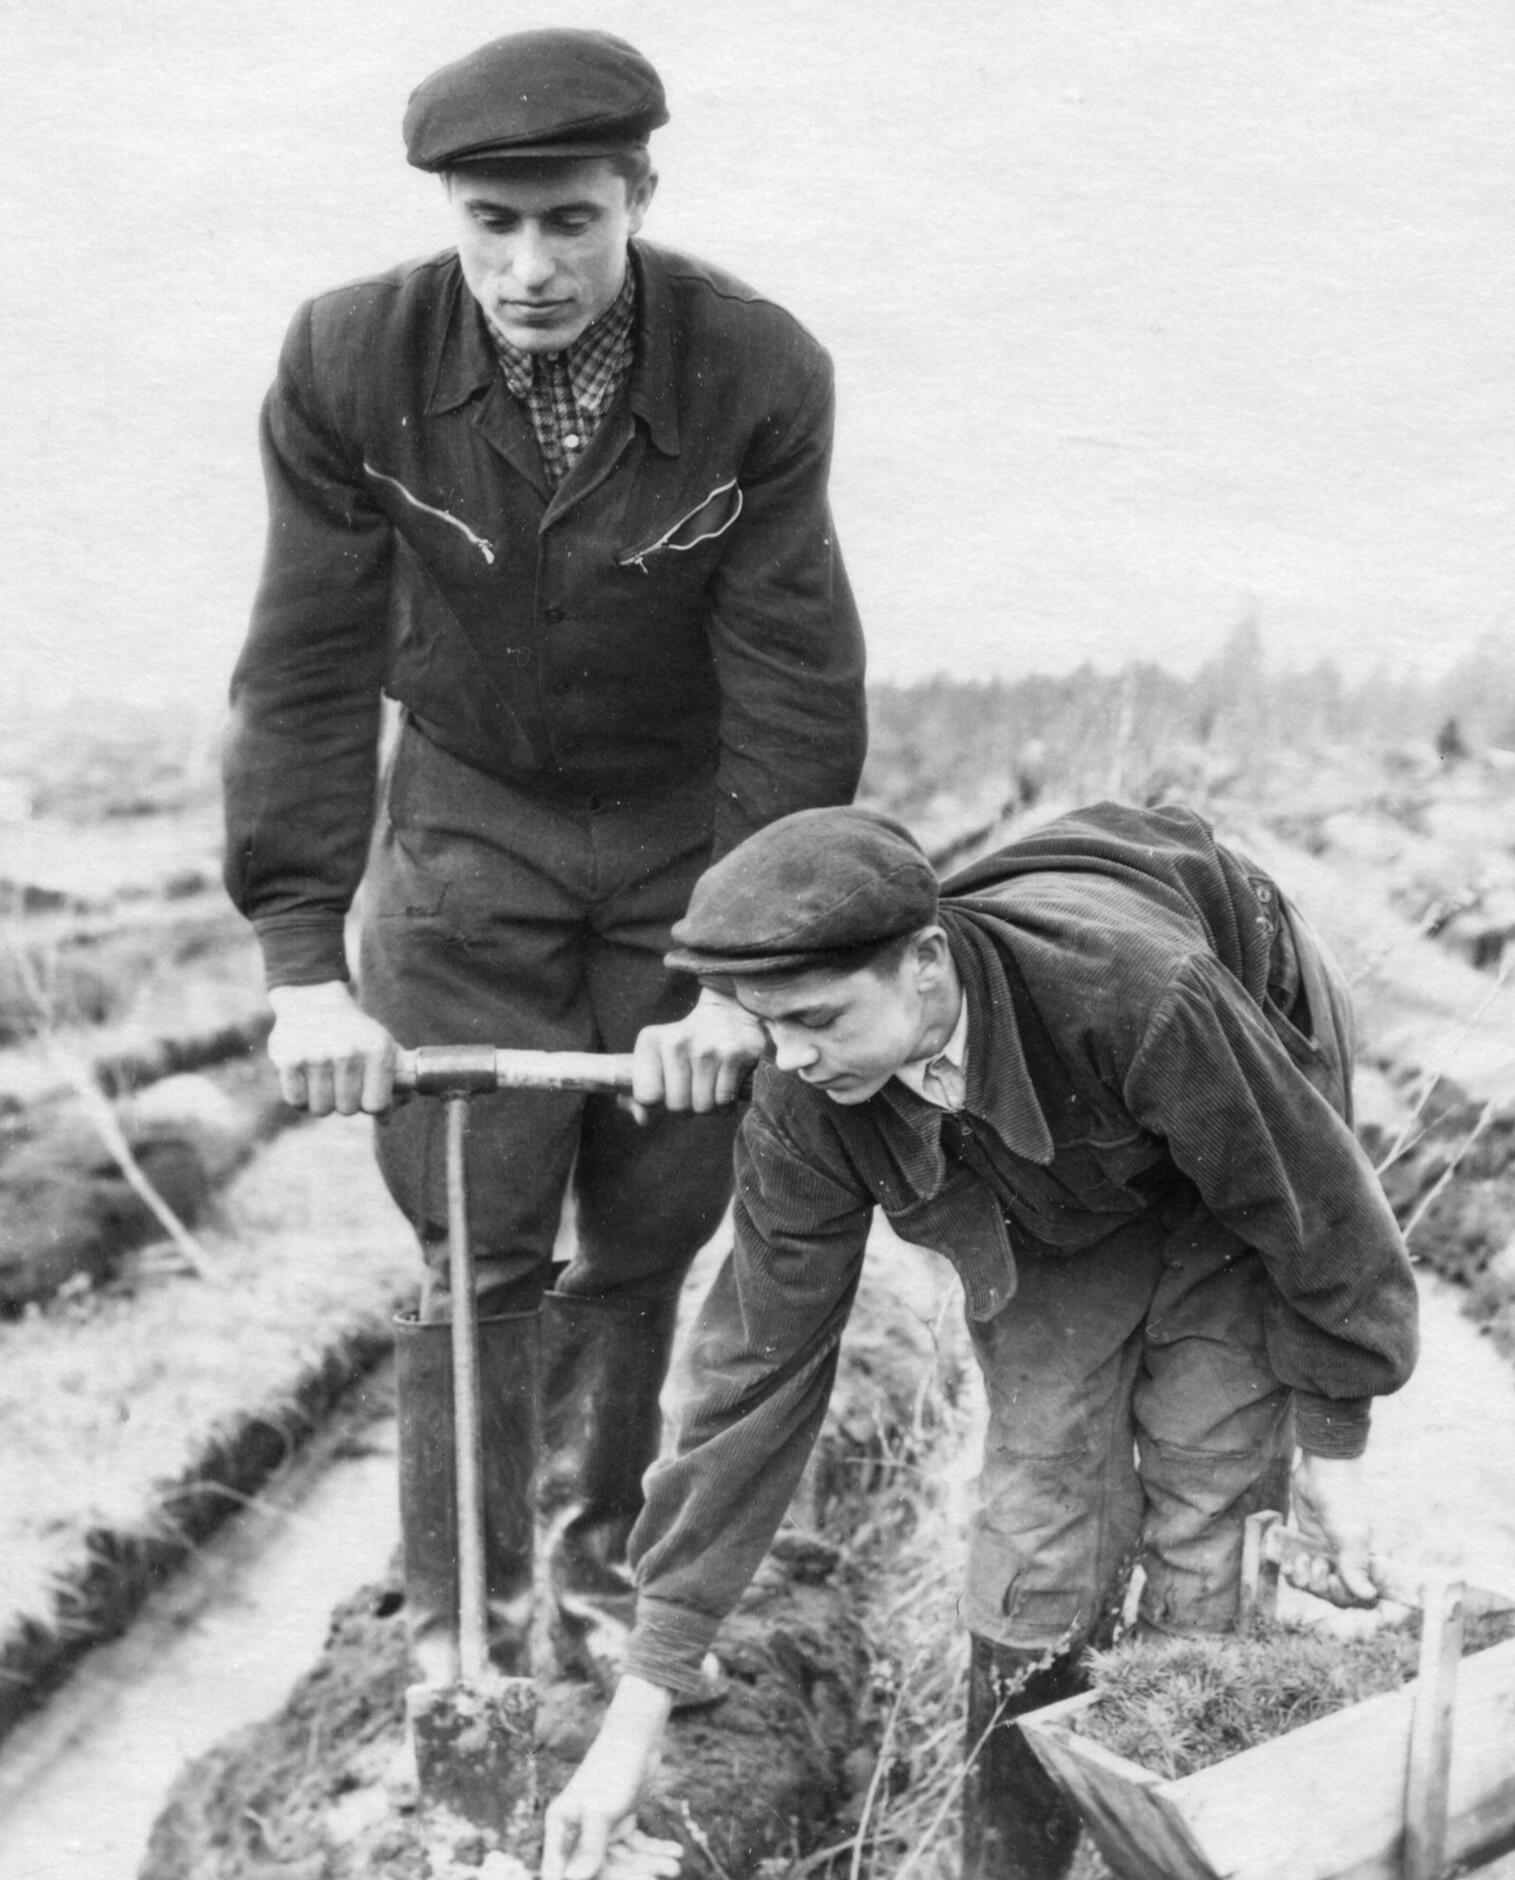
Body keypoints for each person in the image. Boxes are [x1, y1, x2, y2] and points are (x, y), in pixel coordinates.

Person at [220, 27, 866, 1729]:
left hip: (684, 856)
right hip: (465, 845)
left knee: (644, 1242)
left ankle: (592, 1572)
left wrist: (747, 975)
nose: (529, 267)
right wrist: (303, 966)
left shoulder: (756, 370)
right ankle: (466, 1616)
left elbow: (797, 684)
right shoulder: (348, 361)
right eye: (490, 223)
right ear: (448, 212)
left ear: (638, 199)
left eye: (570, 221)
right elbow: (303, 662)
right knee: (471, 1242)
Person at [540, 800, 1419, 1880]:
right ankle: (1011, 1861)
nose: (793, 1056)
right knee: (1038, 1522)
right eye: (765, 1025)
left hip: (1226, 1069)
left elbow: (1315, 1211)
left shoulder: (1145, 996)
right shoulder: (806, 1096)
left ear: (923, 960)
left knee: (1209, 1492)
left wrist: (1334, 1442)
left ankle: (1176, 1839)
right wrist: (639, 1708)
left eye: (817, 1016)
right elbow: (747, 1380)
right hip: (1048, 1168)